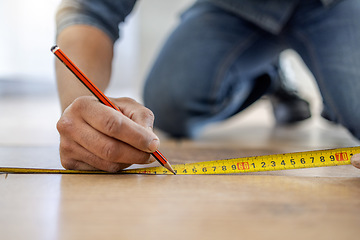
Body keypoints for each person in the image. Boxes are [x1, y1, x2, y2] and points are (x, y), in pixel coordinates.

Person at [54, 0, 360, 172]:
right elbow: (90, 8)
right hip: (236, 8)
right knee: (170, 101)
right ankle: (267, 75)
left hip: (335, 5)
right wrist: (81, 109)